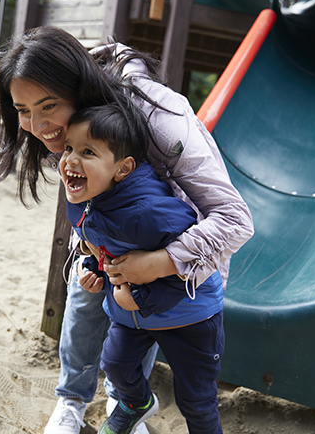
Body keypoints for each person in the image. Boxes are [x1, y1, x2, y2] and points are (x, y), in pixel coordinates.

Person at [0, 26, 254, 434]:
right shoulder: (66, 127)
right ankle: (72, 401)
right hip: (110, 226)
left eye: (48, 106)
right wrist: (91, 253)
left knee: (144, 313)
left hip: (176, 242)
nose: (38, 125)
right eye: (23, 110)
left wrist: (160, 262)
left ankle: (123, 398)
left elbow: (235, 219)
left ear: (78, 89)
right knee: (85, 291)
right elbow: (87, 197)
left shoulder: (159, 118)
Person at [60, 102, 225, 433]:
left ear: (122, 169)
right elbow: (101, 244)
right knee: (116, 365)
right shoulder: (82, 198)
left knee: (196, 399)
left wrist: (144, 300)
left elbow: (193, 261)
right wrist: (91, 266)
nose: (70, 160)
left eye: (87, 152)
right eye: (68, 148)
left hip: (189, 313)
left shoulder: (150, 213)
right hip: (129, 313)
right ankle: (136, 403)